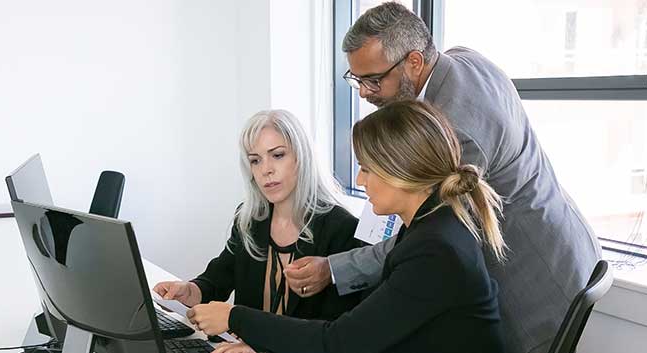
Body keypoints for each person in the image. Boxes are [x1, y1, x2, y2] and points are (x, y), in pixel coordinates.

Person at [282, 3, 602, 353]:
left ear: (414, 62)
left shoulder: (457, 131)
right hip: (565, 242)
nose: (363, 92)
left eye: (373, 79)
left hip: (536, 276)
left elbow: (427, 234)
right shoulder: (459, 59)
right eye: (356, 79)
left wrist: (334, 269)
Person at [190, 100, 506, 353]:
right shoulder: (429, 228)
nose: (359, 181)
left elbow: (340, 341)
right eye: (256, 160)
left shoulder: (435, 250)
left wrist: (235, 317)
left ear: (401, 170)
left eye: (366, 169)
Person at [153, 109, 361, 353]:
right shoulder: (250, 219)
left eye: (278, 155)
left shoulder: (341, 228)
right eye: (255, 160)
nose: (266, 170)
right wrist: (191, 290)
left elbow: (333, 333)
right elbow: (220, 276)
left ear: (302, 157)